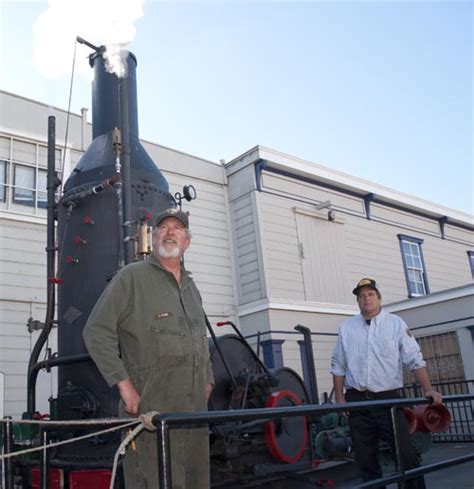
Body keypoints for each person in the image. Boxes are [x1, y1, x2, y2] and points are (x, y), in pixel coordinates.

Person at [83, 207, 214, 489]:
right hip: (150, 418)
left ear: (187, 241)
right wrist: (124, 385)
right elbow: (95, 331)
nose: (169, 232)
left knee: (196, 482)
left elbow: (200, 339)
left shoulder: (192, 289)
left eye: (177, 228)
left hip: (195, 417)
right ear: (152, 238)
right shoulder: (131, 278)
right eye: (163, 227)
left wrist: (209, 380)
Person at [331, 278, 442, 489]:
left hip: (388, 399)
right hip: (357, 402)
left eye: (371, 294)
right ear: (357, 301)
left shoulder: (396, 324)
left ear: (379, 298)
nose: (366, 299)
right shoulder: (346, 328)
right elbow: (338, 365)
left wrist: (428, 389)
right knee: (365, 460)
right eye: (362, 296)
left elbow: (414, 359)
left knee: (406, 456)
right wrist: (339, 397)